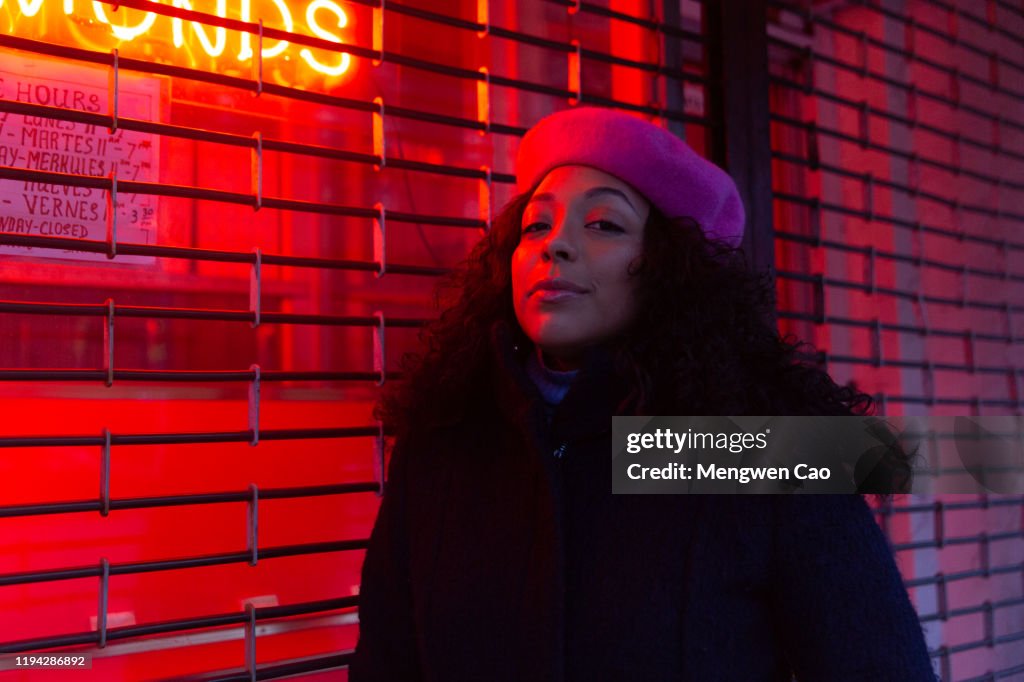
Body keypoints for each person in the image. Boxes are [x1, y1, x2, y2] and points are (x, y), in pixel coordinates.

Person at [348, 107, 936, 681]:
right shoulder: (444, 446)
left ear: (669, 269)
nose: (556, 246)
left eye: (604, 223)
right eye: (536, 225)